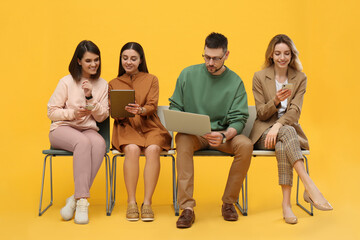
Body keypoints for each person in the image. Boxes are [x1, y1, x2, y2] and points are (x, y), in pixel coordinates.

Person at [169, 32, 253, 228]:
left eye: (216, 58)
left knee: (246, 145)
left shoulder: (235, 82)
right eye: (207, 57)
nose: (210, 62)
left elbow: (239, 119)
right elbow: (174, 107)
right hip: (194, 135)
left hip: (223, 135)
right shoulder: (187, 75)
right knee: (181, 140)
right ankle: (187, 208)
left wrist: (225, 135)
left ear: (226, 55)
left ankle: (229, 203)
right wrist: (184, 122)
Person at [249, 34, 333, 224]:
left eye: (286, 53)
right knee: (287, 133)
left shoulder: (300, 78)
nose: (282, 58)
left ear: (292, 55)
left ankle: (286, 205)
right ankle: (309, 185)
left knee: (284, 141)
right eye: (278, 53)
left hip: (285, 134)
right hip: (264, 133)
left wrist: (278, 126)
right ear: (271, 54)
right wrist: (276, 100)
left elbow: (295, 111)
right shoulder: (259, 77)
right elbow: (261, 113)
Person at [47, 40, 109, 224]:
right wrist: (72, 113)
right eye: (89, 61)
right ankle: (83, 203)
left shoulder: (102, 84)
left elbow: (102, 116)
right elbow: (51, 112)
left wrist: (90, 96)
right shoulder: (66, 82)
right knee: (82, 143)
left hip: (88, 129)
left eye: (96, 60)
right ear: (79, 61)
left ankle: (75, 198)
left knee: (99, 143)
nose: (94, 64)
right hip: (62, 128)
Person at [109, 42, 172, 222]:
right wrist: (120, 112)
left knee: (153, 150)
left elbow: (152, 105)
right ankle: (131, 202)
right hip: (126, 125)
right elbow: (113, 111)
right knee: (132, 150)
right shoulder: (113, 83)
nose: (128, 62)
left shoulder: (152, 79)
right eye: (125, 58)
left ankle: (147, 203)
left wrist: (141, 110)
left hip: (150, 124)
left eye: (133, 58)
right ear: (121, 59)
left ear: (140, 60)